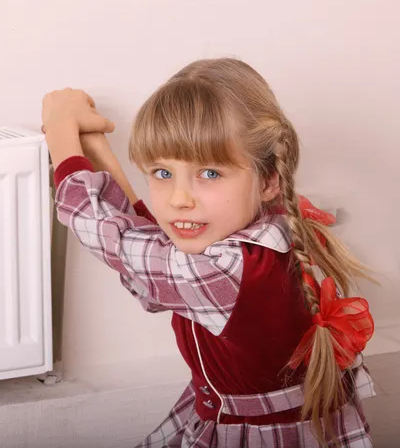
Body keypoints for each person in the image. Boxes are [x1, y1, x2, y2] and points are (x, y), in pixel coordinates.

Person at [41, 58, 376, 447]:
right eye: (162, 173)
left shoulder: (231, 272)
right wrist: (97, 151)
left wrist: (61, 133)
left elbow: (112, 239)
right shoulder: (272, 228)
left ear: (269, 180)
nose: (180, 200)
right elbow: (151, 252)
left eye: (210, 173)